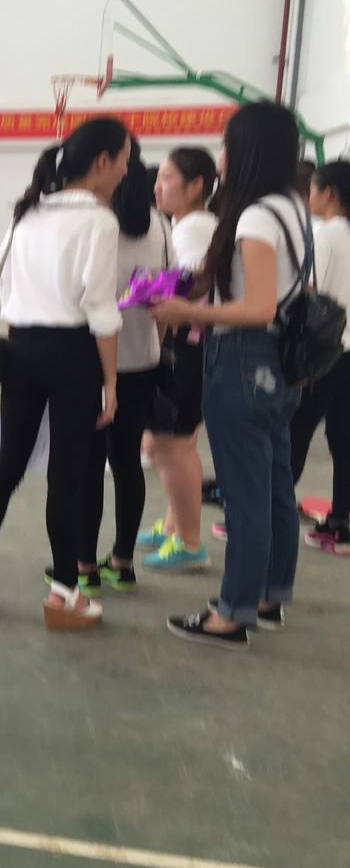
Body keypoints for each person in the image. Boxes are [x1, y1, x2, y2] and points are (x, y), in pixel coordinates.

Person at [0, 117, 129, 631]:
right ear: (101, 161)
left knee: (7, 467)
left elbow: (8, 291)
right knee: (66, 477)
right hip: (74, 354)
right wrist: (111, 381)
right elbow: (101, 310)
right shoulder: (100, 222)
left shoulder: (26, 215)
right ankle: (63, 595)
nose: (126, 170)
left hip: (22, 350)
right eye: (124, 160)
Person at [152, 102, 307, 649]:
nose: (220, 154)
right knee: (273, 484)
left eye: (225, 143)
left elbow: (258, 306)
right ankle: (268, 595)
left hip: (245, 360)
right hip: (278, 365)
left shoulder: (257, 216)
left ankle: (231, 614)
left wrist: (185, 311)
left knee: (246, 493)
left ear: (246, 150)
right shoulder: (292, 206)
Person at [70, 138, 168, 596]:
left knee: (89, 466)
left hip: (93, 361)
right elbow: (169, 293)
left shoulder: (94, 224)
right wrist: (152, 343)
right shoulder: (160, 225)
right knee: (127, 462)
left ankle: (84, 567)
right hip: (143, 359)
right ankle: (123, 563)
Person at [138, 148, 218, 571]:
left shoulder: (194, 228)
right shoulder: (187, 224)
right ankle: (174, 527)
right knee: (175, 443)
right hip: (192, 344)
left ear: (196, 185)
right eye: (159, 177)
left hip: (188, 346)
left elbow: (184, 288)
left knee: (167, 444)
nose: (158, 186)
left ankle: (189, 543)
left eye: (167, 178)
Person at [290, 160, 350, 555]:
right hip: (349, 350)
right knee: (344, 440)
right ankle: (341, 524)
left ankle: (269, 512)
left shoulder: (323, 234)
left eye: (312, 189)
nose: (308, 196)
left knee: (294, 431)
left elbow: (310, 291)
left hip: (323, 352)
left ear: (328, 193)